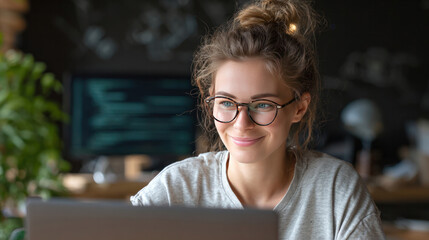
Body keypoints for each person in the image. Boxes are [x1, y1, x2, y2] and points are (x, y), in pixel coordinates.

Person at [131, 0, 385, 239]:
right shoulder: (176, 188)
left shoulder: (335, 190)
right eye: (227, 103)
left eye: (263, 105)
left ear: (299, 107)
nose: (242, 124)